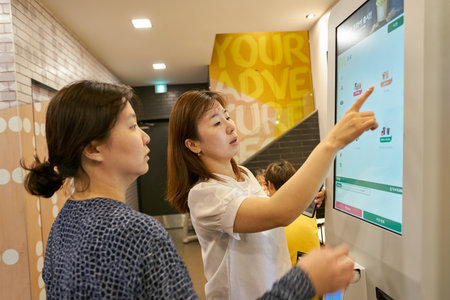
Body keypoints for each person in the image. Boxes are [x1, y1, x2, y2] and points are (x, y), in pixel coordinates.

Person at [22, 80, 353, 300]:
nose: (146, 136)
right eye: (133, 125)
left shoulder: (64, 225)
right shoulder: (137, 232)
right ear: (93, 149)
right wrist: (305, 280)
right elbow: (278, 211)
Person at [167, 87, 377, 299]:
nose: (230, 126)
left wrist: (313, 194)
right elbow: (279, 212)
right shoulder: (204, 194)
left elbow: (273, 209)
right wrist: (333, 142)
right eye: (216, 122)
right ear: (193, 145)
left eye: (227, 116)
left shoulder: (243, 174)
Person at [265, 160, 322, 265]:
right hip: (317, 272)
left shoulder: (268, 217)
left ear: (270, 185)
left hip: (288, 278)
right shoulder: (308, 204)